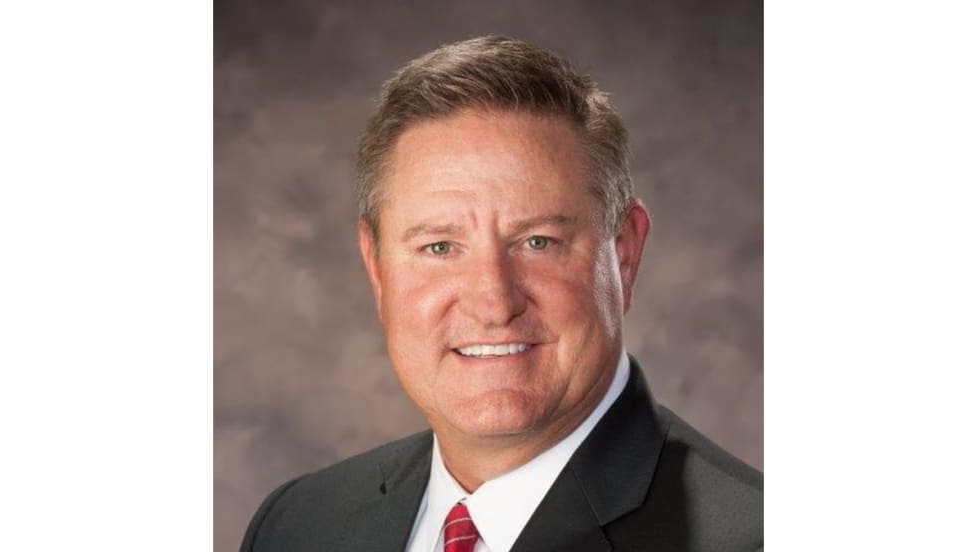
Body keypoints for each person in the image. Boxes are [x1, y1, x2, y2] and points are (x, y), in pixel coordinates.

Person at [240, 35, 762, 552]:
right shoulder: (296, 526)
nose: (493, 304)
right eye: (439, 247)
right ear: (377, 269)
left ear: (624, 254)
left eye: (538, 242)